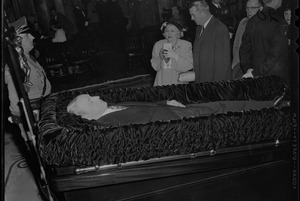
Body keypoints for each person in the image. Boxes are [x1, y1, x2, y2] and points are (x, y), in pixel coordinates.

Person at [67, 94, 279, 127]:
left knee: (221, 104)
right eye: (91, 100)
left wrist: (167, 101)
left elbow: (144, 106)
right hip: (179, 122)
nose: (96, 96)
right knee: (224, 112)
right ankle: (271, 110)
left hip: (173, 110)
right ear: (89, 114)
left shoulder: (110, 106)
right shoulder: (108, 123)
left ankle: (269, 104)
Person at [4, 17, 52, 140]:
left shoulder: (28, 57)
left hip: (45, 109)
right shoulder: (14, 65)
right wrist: (22, 130)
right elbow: (15, 102)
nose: (32, 37)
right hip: (33, 115)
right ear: (18, 40)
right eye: (27, 35)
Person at [239, 0, 289, 85]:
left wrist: (249, 70)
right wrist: (255, 72)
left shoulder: (252, 21)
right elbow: (275, 55)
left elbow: (244, 50)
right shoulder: (280, 22)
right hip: (275, 81)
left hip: (256, 81)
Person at [189, 0, 231, 83]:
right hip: (200, 80)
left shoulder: (220, 29)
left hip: (213, 84)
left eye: (193, 15)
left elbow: (222, 65)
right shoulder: (199, 28)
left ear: (203, 12)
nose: (191, 18)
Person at [151, 19, 193, 86]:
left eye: (172, 31)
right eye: (167, 31)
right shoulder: (158, 45)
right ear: (164, 34)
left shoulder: (186, 45)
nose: (169, 33)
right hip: (162, 81)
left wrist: (175, 56)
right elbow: (155, 67)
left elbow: (189, 65)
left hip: (179, 81)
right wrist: (160, 58)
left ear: (179, 33)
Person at [231, 0, 263, 79]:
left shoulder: (263, 25)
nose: (249, 10)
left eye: (253, 8)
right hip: (238, 65)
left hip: (254, 68)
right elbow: (236, 43)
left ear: (261, 9)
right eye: (247, 8)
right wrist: (235, 63)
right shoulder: (243, 22)